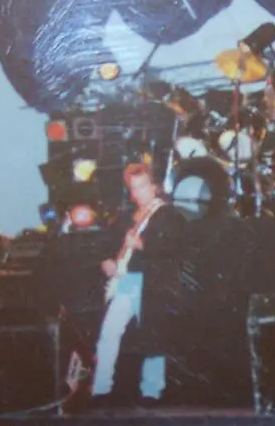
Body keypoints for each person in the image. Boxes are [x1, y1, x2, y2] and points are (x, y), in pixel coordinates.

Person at [91, 163, 186, 408]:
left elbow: (173, 249)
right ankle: (101, 389)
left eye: (142, 186)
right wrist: (106, 261)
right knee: (109, 332)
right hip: (125, 281)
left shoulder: (169, 215)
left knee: (153, 337)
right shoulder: (124, 217)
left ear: (155, 186)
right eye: (133, 188)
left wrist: (142, 244)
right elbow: (104, 244)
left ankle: (152, 393)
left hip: (152, 283)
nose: (138, 193)